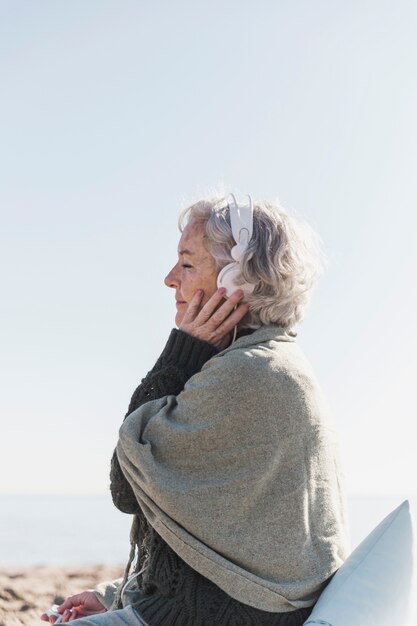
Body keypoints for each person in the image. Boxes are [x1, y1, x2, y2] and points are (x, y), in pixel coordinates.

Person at [41, 193, 350, 625]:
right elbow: (217, 545)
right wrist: (115, 596)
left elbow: (124, 485)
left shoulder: (250, 374)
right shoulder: (265, 362)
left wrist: (181, 353)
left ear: (238, 280)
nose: (170, 279)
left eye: (187, 263)